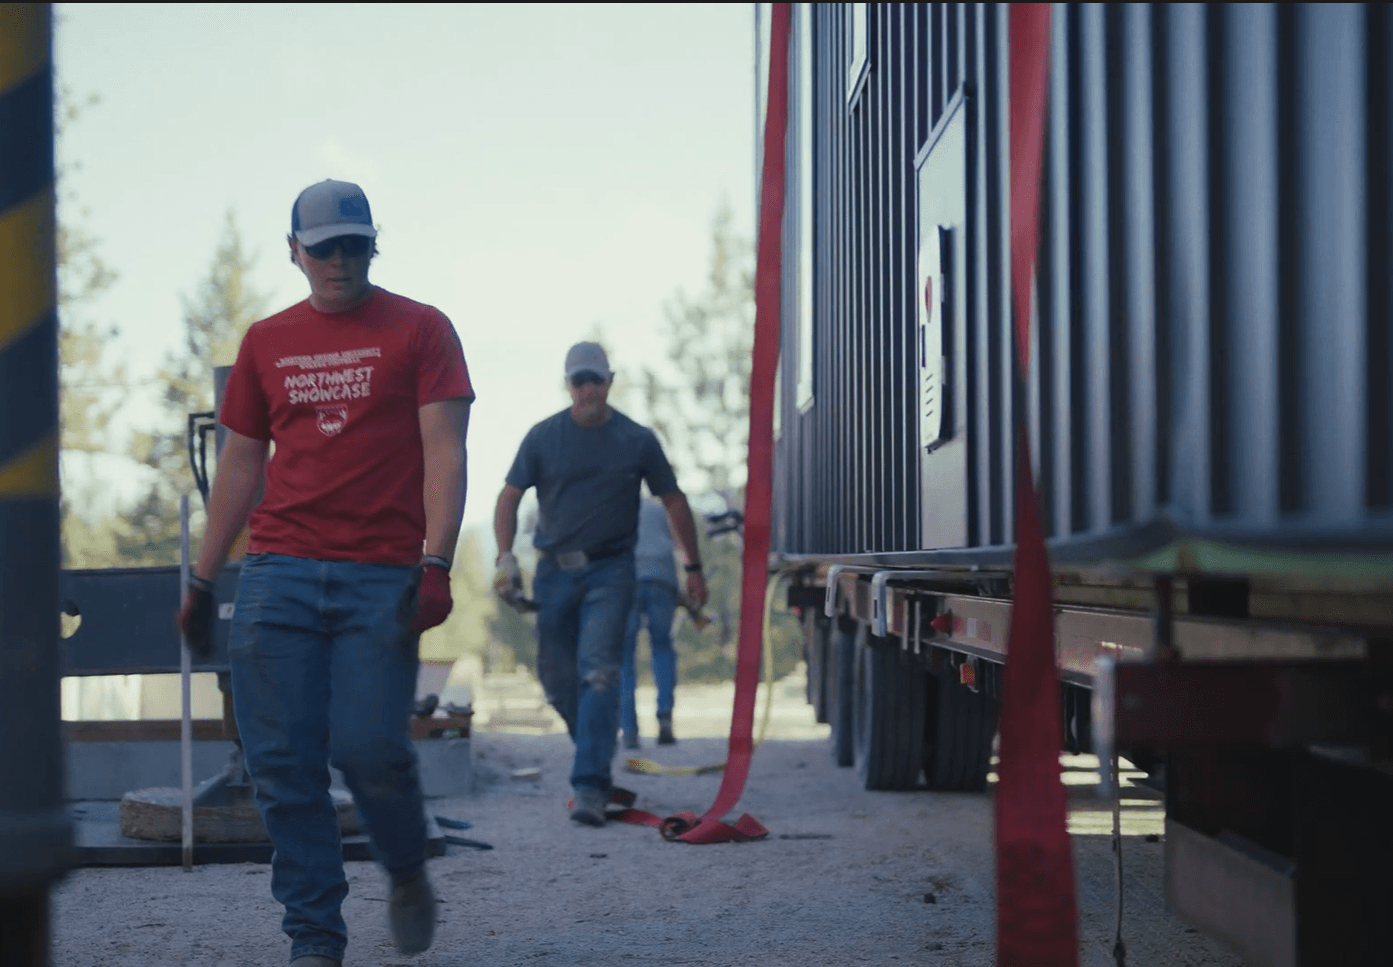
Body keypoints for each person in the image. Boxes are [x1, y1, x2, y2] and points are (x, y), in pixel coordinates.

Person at [177, 179, 472, 967]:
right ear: (294, 251)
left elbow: (446, 449)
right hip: (280, 570)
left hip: (382, 574)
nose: (339, 260)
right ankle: (314, 938)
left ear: (373, 244)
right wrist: (204, 579)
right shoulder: (266, 341)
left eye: (354, 244)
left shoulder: (422, 329)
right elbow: (240, 464)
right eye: (323, 246)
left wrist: (435, 560)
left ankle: (406, 868)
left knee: (370, 746)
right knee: (282, 763)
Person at [492, 341, 707, 826]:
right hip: (553, 572)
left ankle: (589, 785)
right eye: (579, 380)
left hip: (612, 570)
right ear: (567, 384)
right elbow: (508, 499)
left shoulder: (636, 440)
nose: (589, 388)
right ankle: (597, 739)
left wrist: (693, 568)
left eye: (597, 379)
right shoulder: (543, 437)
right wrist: (506, 558)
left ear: (611, 380)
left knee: (601, 672)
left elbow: (674, 501)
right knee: (556, 678)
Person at [620, 496, 681, 749]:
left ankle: (629, 729)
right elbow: (677, 543)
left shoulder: (615, 506)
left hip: (627, 578)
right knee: (662, 646)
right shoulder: (658, 509)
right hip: (662, 576)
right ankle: (665, 716)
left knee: (624, 655)